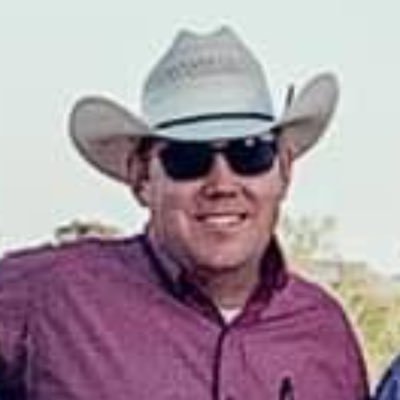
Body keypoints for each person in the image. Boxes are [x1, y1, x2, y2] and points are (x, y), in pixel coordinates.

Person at [0, 26, 369, 399]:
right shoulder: (51, 295)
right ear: (142, 177)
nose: (222, 184)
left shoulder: (326, 334)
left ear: (285, 169)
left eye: (250, 153)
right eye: (188, 157)